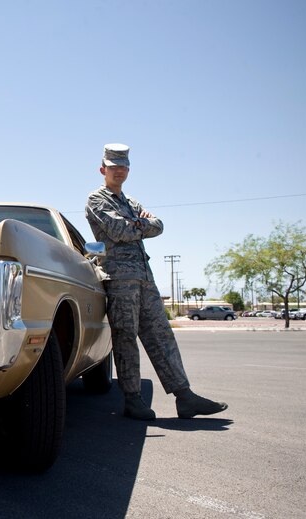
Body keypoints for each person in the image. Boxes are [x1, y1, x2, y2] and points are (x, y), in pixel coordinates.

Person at [85, 143, 228, 420]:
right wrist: (141, 224)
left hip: (145, 278)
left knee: (162, 335)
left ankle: (185, 396)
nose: (119, 171)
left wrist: (137, 223)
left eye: (123, 166)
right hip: (120, 278)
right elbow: (119, 230)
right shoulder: (96, 199)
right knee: (126, 337)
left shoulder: (131, 202)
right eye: (114, 166)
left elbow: (159, 225)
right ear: (103, 169)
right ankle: (132, 399)